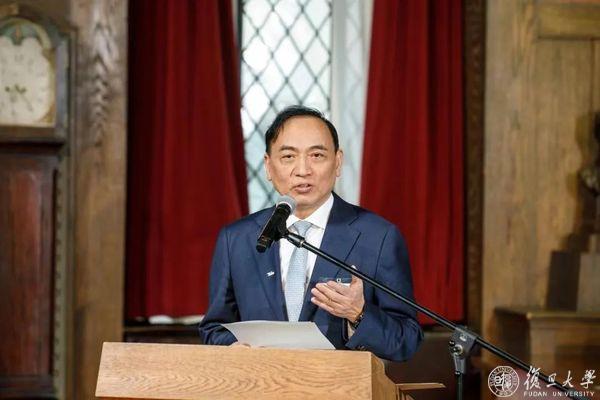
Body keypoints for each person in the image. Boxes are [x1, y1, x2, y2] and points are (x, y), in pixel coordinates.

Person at [198, 106, 422, 361]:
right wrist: (233, 349)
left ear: (337, 162)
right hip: (261, 381)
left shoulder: (378, 237)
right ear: (268, 166)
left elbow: (406, 340)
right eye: (288, 156)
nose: (303, 170)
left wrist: (358, 314)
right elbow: (214, 328)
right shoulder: (236, 239)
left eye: (317, 155)